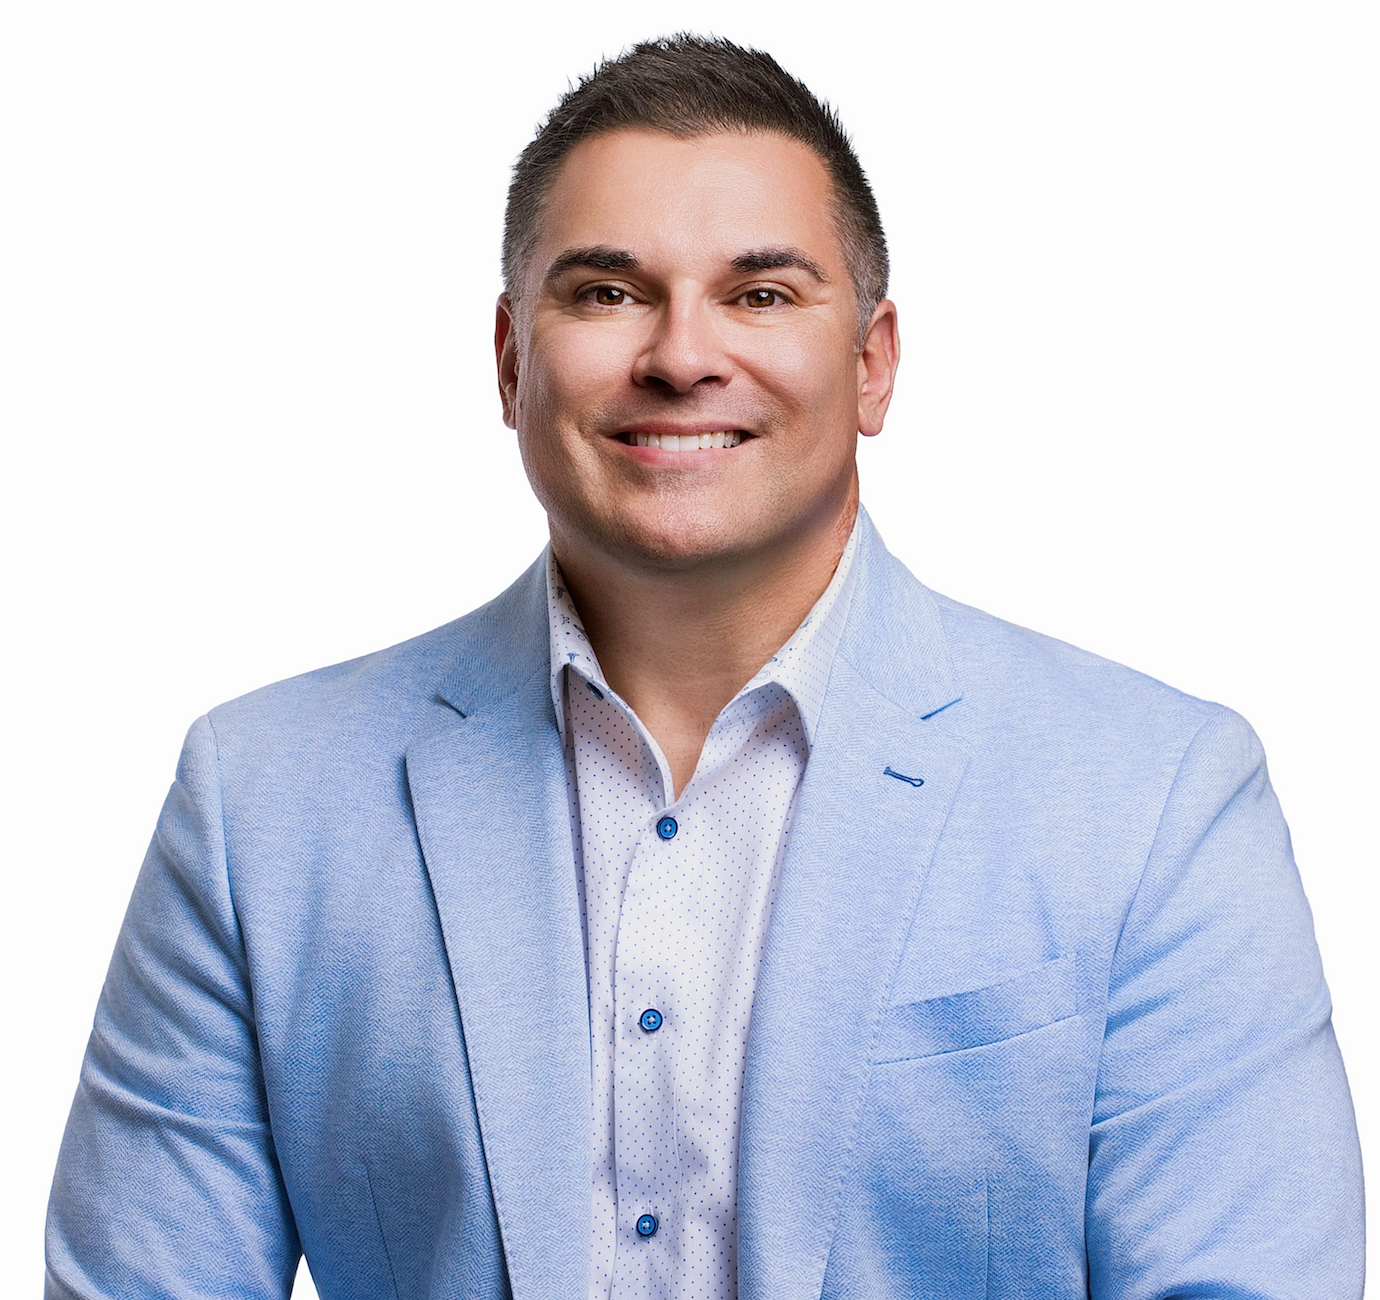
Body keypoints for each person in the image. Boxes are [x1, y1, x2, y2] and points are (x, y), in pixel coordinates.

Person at [45, 34, 1363, 1300]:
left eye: (761, 294)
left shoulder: (1156, 797)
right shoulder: (262, 804)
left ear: (873, 365)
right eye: (607, 293)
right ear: (509, 362)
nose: (681, 356)